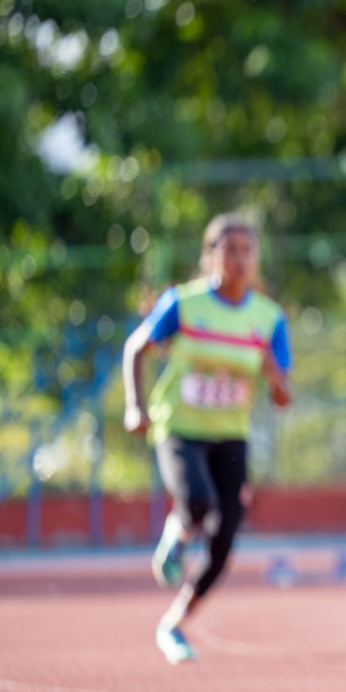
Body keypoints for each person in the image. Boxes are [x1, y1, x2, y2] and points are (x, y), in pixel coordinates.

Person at [122, 213, 293, 664]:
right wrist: (134, 406)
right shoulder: (184, 303)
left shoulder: (268, 318)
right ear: (210, 255)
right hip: (179, 427)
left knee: (224, 541)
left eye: (247, 250)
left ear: (256, 259)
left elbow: (283, 397)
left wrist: (276, 379)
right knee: (196, 499)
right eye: (229, 249)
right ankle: (176, 533)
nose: (238, 259)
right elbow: (135, 348)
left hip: (230, 435)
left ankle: (173, 624)